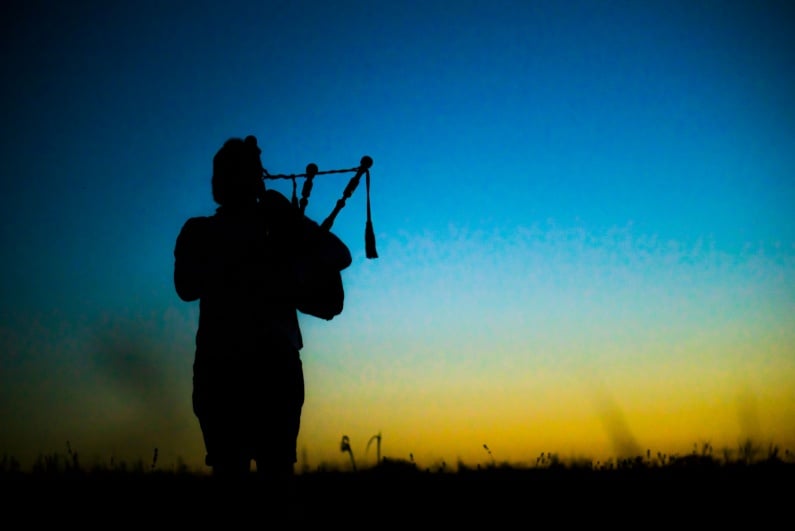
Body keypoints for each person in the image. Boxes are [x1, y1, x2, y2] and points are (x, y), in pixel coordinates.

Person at [173, 135, 351, 487]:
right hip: (245, 371)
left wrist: (289, 222)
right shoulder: (209, 232)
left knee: (249, 473)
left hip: (238, 372)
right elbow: (186, 287)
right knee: (266, 474)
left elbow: (338, 258)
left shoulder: (269, 233)